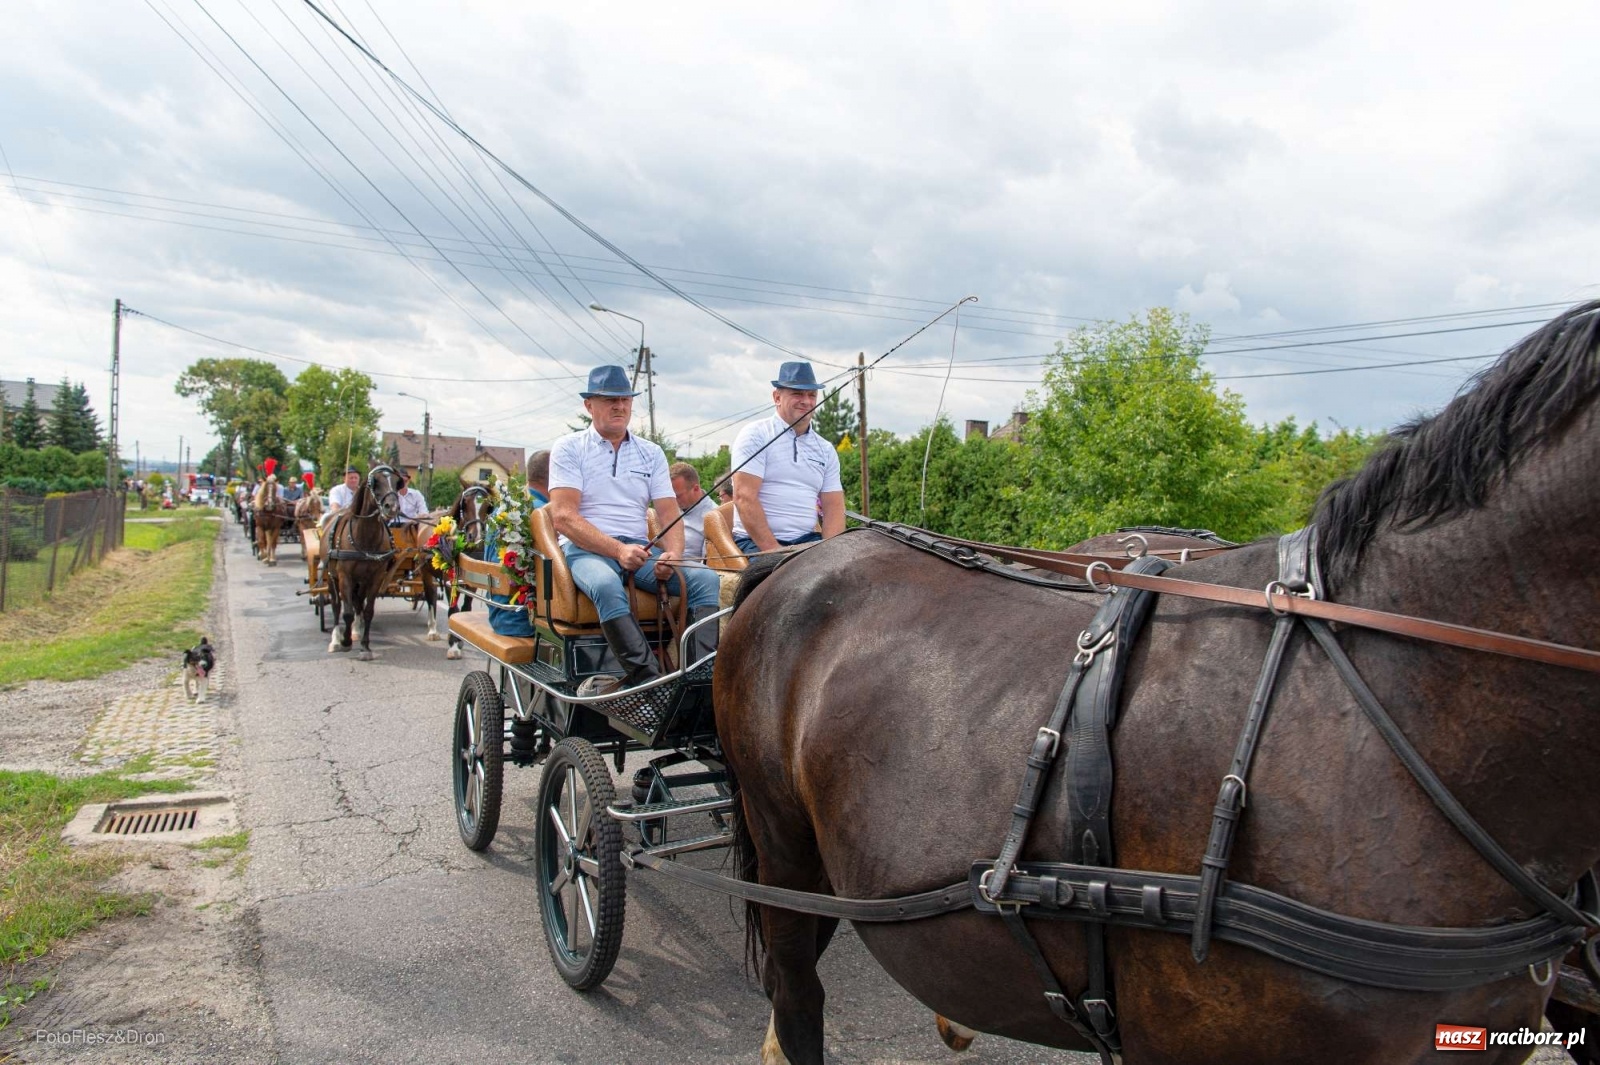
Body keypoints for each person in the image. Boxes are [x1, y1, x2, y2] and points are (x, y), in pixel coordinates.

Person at [547, 365, 721, 691]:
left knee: (705, 579)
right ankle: (649, 684)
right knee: (605, 585)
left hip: (638, 550)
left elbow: (669, 512)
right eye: (610, 400)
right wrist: (617, 550)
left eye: (625, 400)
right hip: (586, 551)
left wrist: (673, 554)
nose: (620, 407)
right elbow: (563, 517)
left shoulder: (651, 453)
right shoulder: (570, 448)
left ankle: (699, 681)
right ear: (589, 406)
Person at [730, 361, 846, 555]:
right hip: (756, 543)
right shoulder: (755, 435)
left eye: (812, 395)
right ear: (777, 397)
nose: (806, 401)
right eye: (797, 394)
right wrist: (775, 551)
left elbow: (834, 507)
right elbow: (744, 498)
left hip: (807, 542)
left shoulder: (825, 449)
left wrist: (830, 554)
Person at [669, 462, 713, 560]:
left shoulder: (713, 517)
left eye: (678, 496)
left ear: (696, 489)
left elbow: (707, 564)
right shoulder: (670, 509)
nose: (673, 500)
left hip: (689, 570)